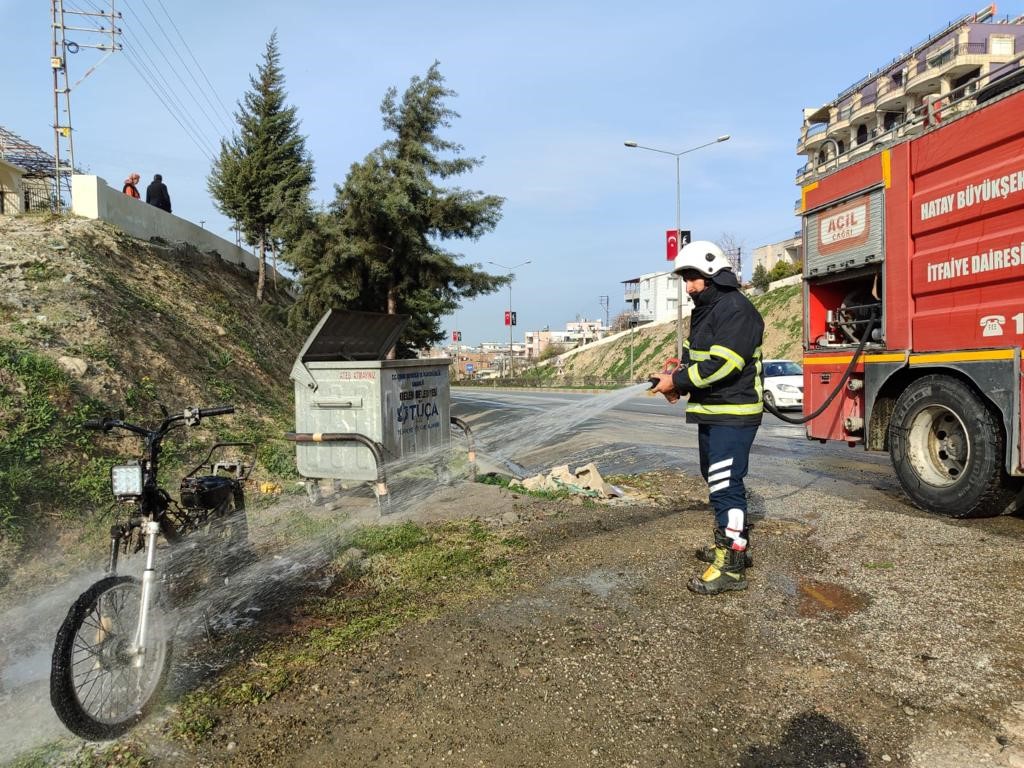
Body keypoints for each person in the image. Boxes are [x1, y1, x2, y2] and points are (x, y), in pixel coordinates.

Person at [649, 240, 765, 596]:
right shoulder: (706, 310)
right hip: (712, 412)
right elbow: (695, 359)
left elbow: (725, 364)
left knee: (725, 485)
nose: (689, 286)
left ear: (713, 273)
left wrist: (679, 380)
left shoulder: (735, 310)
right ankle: (732, 548)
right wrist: (675, 381)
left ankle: (730, 568)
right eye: (686, 279)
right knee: (717, 482)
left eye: (693, 278)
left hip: (733, 414)